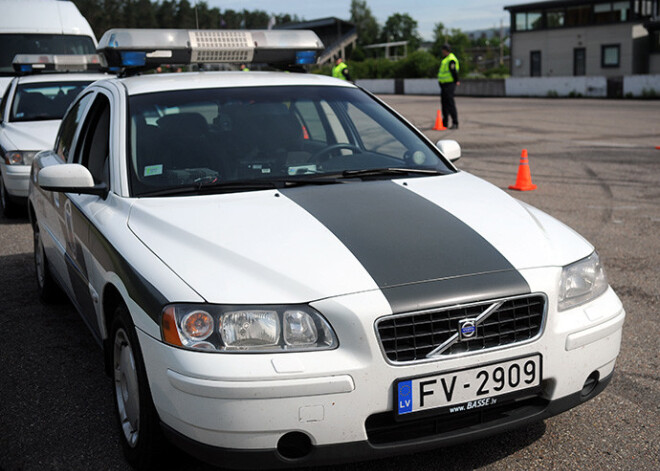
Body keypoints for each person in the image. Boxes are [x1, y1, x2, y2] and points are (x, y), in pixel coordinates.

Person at [437, 44, 460, 130]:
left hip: (450, 84)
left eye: (443, 50)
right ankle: (445, 122)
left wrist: (456, 80)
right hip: (444, 84)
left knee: (450, 103)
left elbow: (453, 71)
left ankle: (455, 122)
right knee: (444, 103)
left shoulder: (451, 59)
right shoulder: (446, 59)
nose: (442, 51)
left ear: (446, 50)